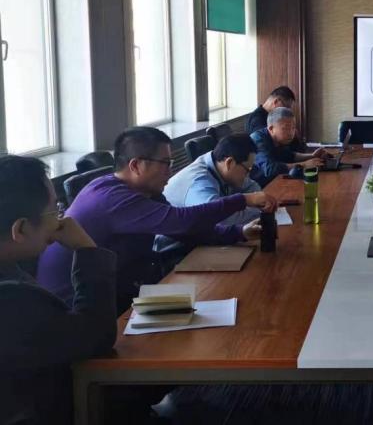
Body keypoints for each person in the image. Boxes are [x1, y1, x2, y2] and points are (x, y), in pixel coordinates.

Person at [37, 127, 276, 311]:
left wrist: (238, 232)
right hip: (78, 309)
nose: (170, 172)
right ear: (135, 165)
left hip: (119, 290)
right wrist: (243, 200)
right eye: (165, 164)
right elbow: (184, 220)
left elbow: (183, 229)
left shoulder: (145, 192)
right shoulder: (112, 197)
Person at [0, 155, 117, 425]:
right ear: (20, 229)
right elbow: (96, 336)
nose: (60, 219)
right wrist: (88, 251)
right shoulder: (11, 301)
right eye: (54, 210)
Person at [157, 133, 265, 255]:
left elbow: (252, 187)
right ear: (229, 162)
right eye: (247, 170)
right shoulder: (199, 183)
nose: (248, 175)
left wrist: (256, 203)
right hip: (174, 250)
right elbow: (220, 221)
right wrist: (259, 208)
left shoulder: (219, 165)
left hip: (202, 238)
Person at [250, 108, 327, 187]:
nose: (290, 133)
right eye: (285, 128)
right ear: (271, 129)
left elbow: (289, 155)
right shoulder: (258, 139)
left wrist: (312, 156)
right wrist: (304, 165)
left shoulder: (278, 139)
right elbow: (270, 169)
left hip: (276, 181)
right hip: (258, 188)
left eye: (293, 128)